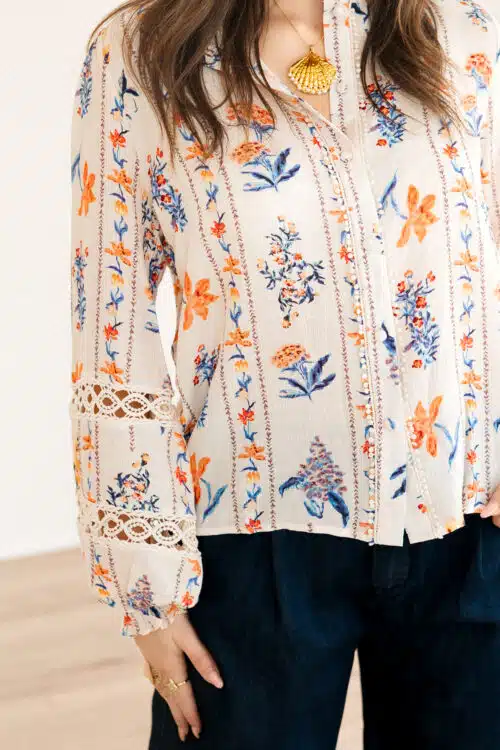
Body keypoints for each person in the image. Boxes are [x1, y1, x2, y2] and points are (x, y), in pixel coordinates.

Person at [69, 0, 500, 747]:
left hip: (467, 525)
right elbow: (110, 323)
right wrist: (145, 592)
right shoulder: (139, 52)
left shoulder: (464, 29)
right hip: (253, 535)